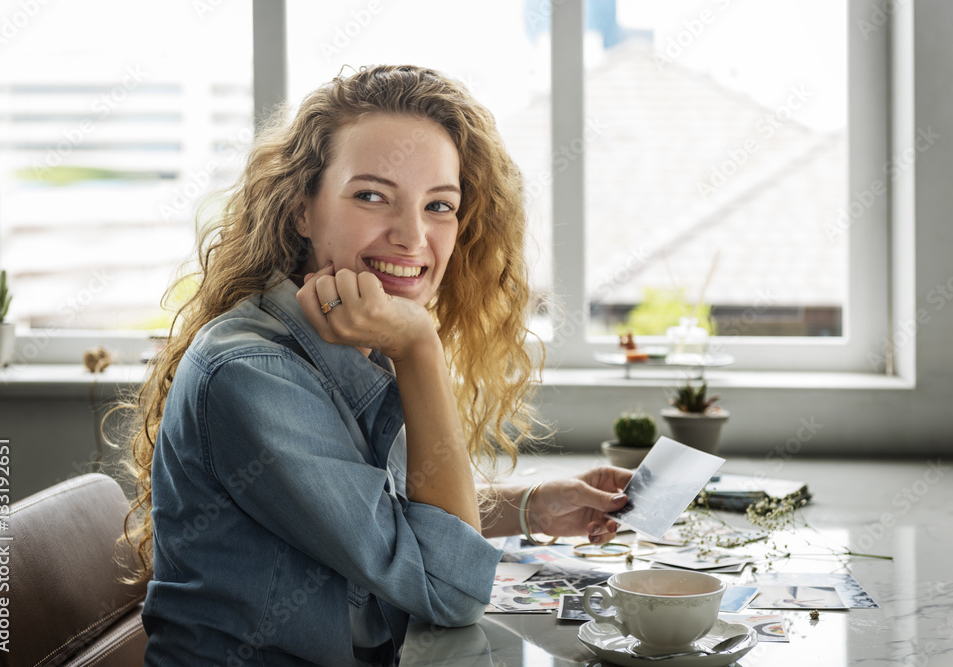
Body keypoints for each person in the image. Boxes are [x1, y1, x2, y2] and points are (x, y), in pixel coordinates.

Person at [124, 64, 632, 666]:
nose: (414, 236)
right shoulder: (251, 373)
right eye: (372, 195)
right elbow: (451, 591)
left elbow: (385, 521)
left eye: (439, 205)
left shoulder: (350, 339)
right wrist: (421, 349)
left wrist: (532, 506)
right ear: (300, 212)